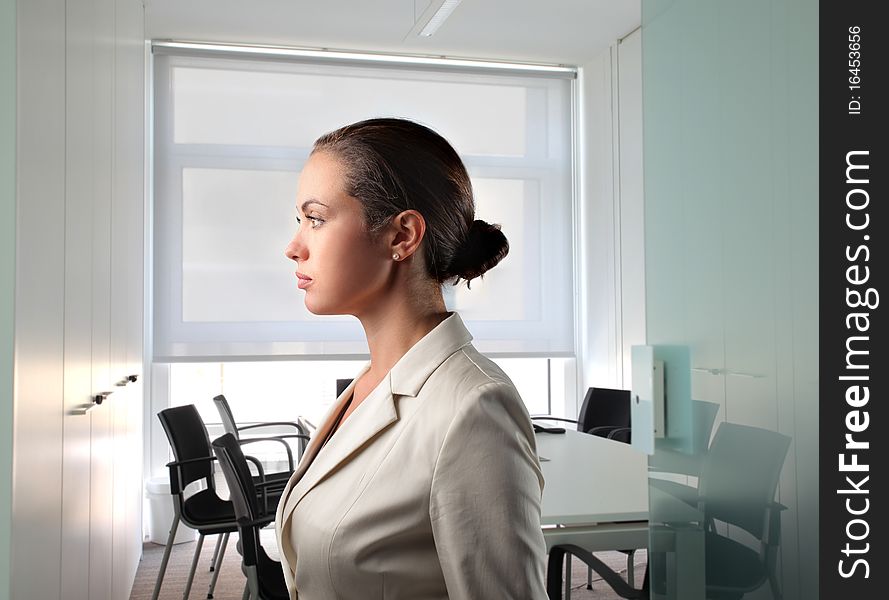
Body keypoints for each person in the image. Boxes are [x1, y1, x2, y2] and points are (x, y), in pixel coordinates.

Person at [275, 117, 547, 599]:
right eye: (300, 221)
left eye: (315, 218)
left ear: (402, 236)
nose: (294, 247)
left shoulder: (474, 408)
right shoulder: (370, 384)